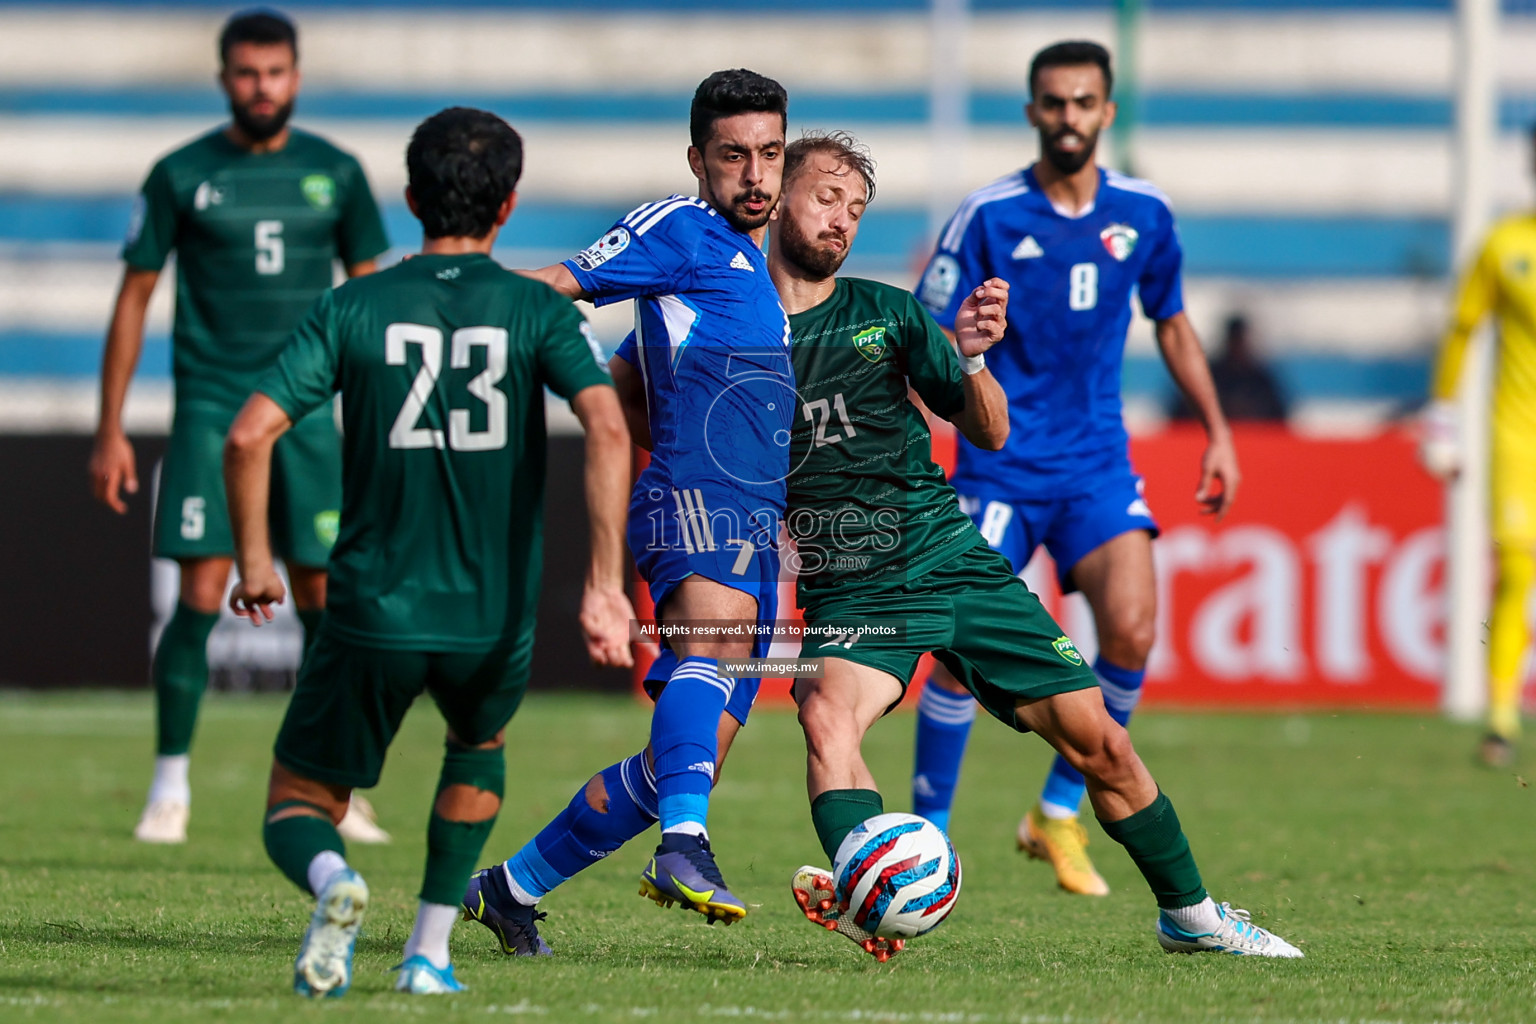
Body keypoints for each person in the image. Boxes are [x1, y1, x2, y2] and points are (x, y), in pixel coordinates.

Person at [768, 131, 1297, 963]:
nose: (842, 221)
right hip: (854, 586)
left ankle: (1190, 916)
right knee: (828, 720)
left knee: (1103, 745)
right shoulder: (729, 329)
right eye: (827, 198)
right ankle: (869, 883)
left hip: (950, 557)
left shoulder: (889, 313)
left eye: (857, 209)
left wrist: (971, 360)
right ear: (774, 193)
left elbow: (993, 427)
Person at [223, 106, 633, 997]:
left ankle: (336, 885)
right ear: (510, 204)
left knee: (296, 804)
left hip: (372, 604)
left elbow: (250, 436)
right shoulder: (536, 309)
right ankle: (428, 954)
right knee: (477, 745)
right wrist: (604, 584)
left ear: (410, 198)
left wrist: (256, 561)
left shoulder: (353, 305)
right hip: (490, 610)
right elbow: (606, 425)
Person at [456, 69, 794, 937]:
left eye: (769, 154)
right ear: (696, 158)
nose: (755, 175)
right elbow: (558, 282)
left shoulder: (750, 263)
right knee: (708, 655)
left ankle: (510, 888)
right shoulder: (676, 226)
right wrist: (447, 296)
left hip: (755, 525)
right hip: (693, 496)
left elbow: (628, 379)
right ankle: (684, 846)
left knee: (680, 758)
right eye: (733, 156)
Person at [911, 40, 1239, 896]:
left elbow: (1170, 321)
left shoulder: (1145, 213)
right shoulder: (987, 215)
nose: (1068, 117)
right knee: (954, 650)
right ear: (1031, 111)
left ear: (1107, 111)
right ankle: (928, 838)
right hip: (999, 468)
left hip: (1096, 465)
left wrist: (1216, 428)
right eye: (1053, 103)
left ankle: (1057, 813)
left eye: (1083, 102)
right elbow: (926, 333)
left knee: (1130, 629)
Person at [86, 8, 391, 845]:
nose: (263, 87)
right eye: (248, 73)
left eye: (276, 71)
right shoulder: (181, 173)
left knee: (328, 604)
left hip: (309, 411)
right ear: (226, 78)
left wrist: (377, 413)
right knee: (194, 597)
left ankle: (333, 783)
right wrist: (110, 427)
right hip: (213, 408)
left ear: (296, 75)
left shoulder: (337, 171)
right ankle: (170, 785)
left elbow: (370, 295)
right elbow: (135, 296)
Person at [1422, 124, 1536, 767]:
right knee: (1519, 567)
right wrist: (1442, 420)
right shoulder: (1504, 244)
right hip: (1520, 436)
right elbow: (1463, 331)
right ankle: (1501, 716)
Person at [1169, 315, 1288, 423]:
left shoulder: (1260, 379)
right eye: (1234, 341)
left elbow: (1279, 417)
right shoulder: (1208, 376)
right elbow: (1180, 415)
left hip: (1255, 440)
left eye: (1240, 341)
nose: (1238, 347)